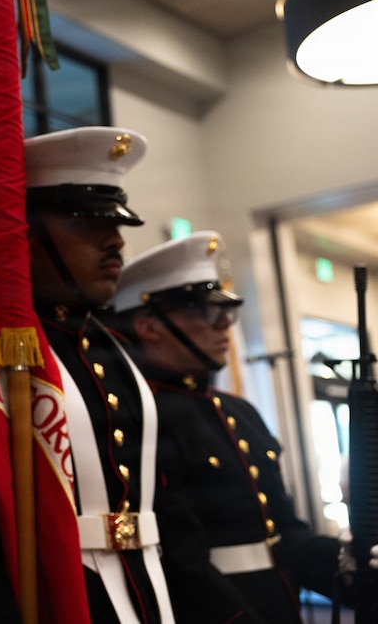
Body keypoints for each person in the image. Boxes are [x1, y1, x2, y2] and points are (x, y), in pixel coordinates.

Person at [112, 231, 353, 622]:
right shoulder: (140, 414)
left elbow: (288, 532)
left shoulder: (239, 411)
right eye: (202, 312)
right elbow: (181, 560)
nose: (224, 323)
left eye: (225, 311)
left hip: (279, 600)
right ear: (149, 326)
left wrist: (351, 566)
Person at [24, 126, 175, 623]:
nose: (115, 241)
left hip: (149, 588)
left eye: (115, 222)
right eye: (89, 223)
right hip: (62, 594)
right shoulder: (1, 353)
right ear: (26, 229)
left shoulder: (117, 352)